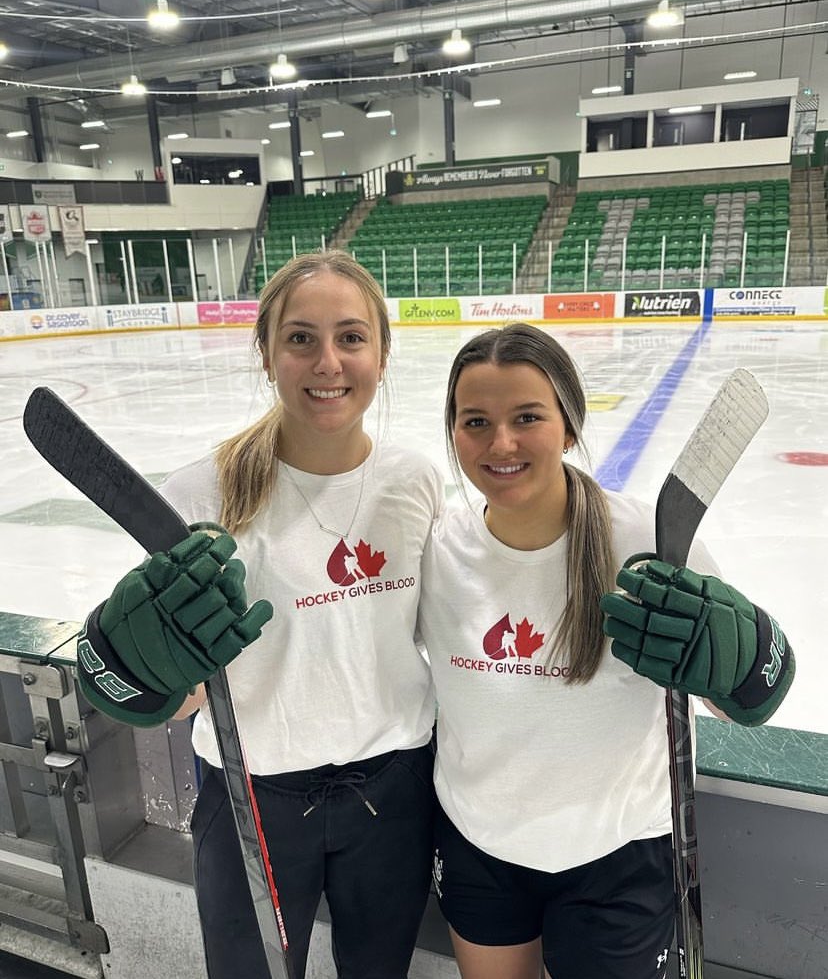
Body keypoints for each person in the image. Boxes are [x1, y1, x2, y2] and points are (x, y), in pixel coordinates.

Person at [74, 250, 443, 979]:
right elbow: (177, 697)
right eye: (301, 338)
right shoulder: (199, 497)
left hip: (394, 798)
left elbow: (442, 637)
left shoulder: (415, 482)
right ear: (267, 353)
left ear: (383, 352)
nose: (328, 361)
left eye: (351, 337)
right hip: (251, 799)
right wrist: (135, 674)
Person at [416, 323, 794, 979]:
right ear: (453, 433)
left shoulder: (649, 542)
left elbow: (752, 694)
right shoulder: (437, 548)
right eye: (475, 421)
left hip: (618, 857)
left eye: (526, 417)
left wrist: (742, 655)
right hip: (479, 846)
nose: (500, 442)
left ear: (568, 425)